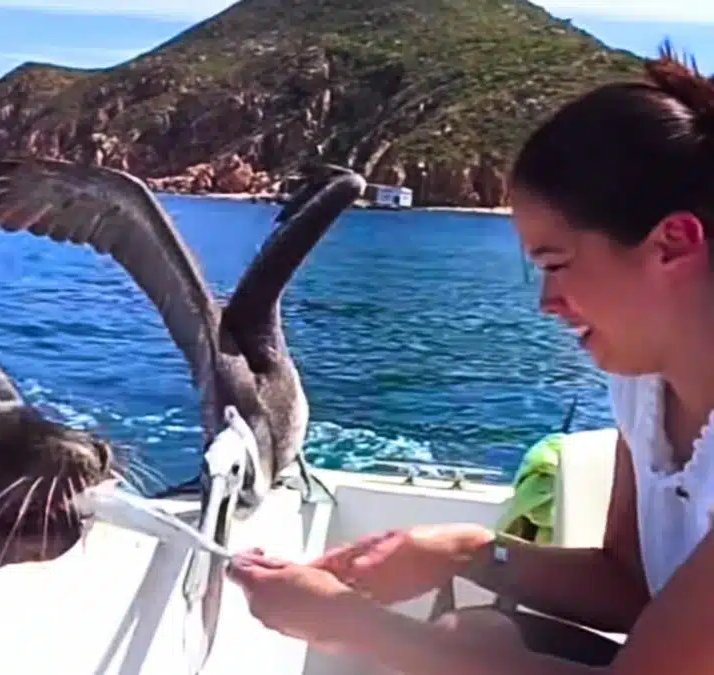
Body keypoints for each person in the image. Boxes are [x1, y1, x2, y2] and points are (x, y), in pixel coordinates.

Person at [228, 42, 714, 675]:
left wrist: (353, 627)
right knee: (475, 629)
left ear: (672, 244)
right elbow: (632, 586)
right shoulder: (645, 388)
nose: (546, 302)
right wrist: (467, 552)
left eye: (557, 264)